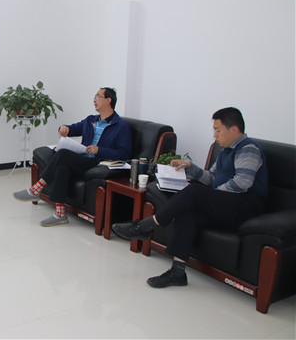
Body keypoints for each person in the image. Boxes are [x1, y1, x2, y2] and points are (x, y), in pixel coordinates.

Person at [112, 107, 267, 288]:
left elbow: (242, 183)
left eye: (218, 130)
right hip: (228, 204)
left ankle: (145, 226)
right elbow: (211, 178)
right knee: (188, 213)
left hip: (247, 206)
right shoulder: (225, 151)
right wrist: (190, 167)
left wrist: (214, 194)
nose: (214, 135)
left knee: (195, 192)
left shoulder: (248, 148)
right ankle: (177, 272)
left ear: (234, 129)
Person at [13, 87, 132, 227]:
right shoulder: (91, 120)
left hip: (98, 163)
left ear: (108, 100)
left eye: (98, 96)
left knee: (63, 155)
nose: (94, 99)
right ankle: (60, 214)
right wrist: (64, 128)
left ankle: (36, 189)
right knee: (63, 166)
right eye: (94, 96)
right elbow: (73, 128)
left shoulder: (121, 127)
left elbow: (124, 154)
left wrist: (99, 150)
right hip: (83, 160)